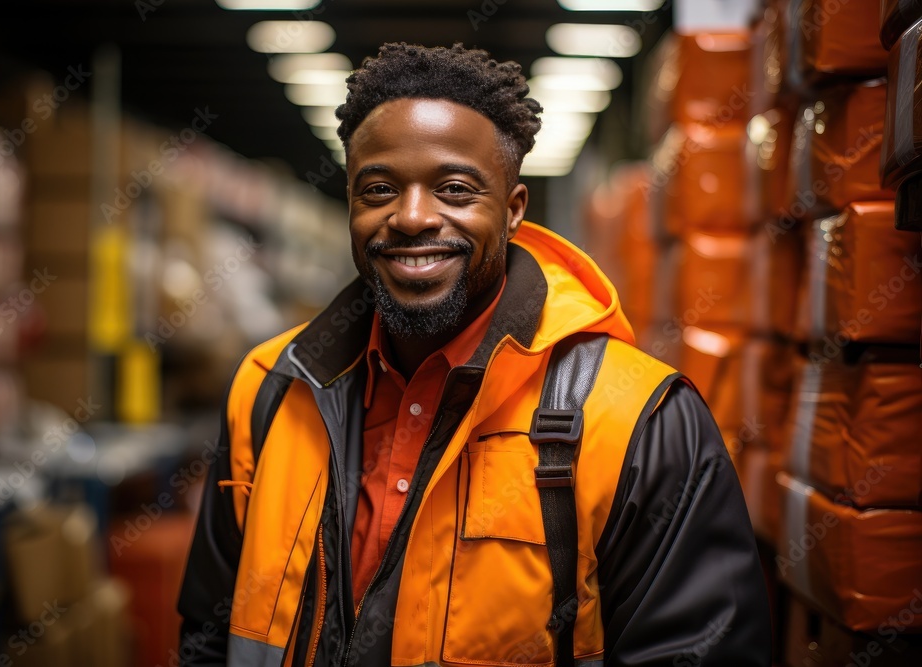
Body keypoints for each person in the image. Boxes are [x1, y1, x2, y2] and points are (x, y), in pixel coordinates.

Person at [177, 43, 772, 666]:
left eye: (455, 189)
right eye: (378, 189)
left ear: (513, 210)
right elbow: (210, 636)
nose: (410, 218)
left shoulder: (638, 422)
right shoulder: (270, 390)